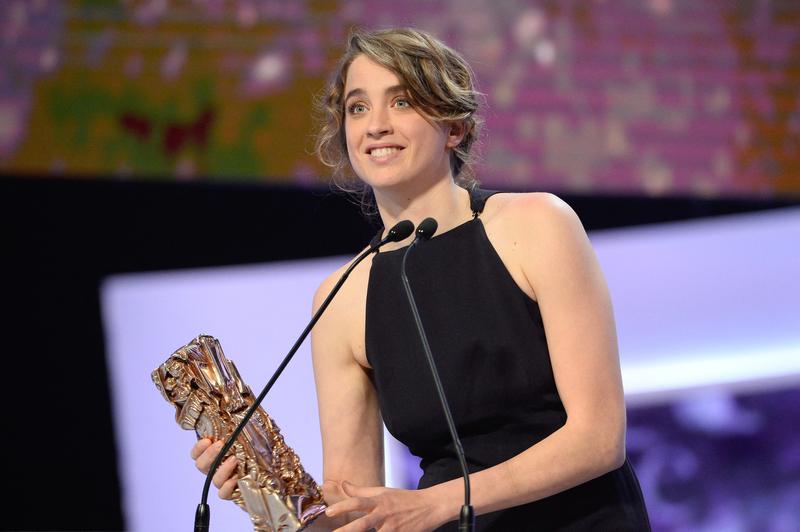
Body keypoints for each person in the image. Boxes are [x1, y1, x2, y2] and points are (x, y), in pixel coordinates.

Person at [192, 27, 651, 531]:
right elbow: (351, 516)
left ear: (453, 127)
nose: (376, 126)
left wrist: (436, 503)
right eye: (358, 108)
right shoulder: (341, 298)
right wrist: (263, 493)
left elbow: (599, 439)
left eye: (403, 102)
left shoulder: (537, 224)